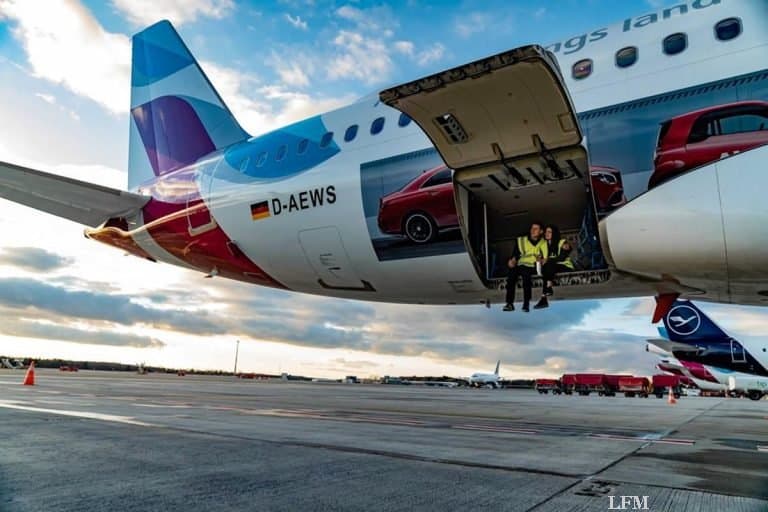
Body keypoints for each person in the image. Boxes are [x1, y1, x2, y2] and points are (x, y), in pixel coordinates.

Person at [504, 222, 547, 313]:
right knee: (511, 277)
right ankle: (509, 303)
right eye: (532, 228)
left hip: (531, 265)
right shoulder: (521, 240)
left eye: (536, 229)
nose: (533, 230)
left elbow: (545, 258)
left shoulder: (543, 242)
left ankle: (526, 303)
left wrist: (541, 260)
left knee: (526, 278)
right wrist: (512, 261)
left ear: (541, 231)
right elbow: (515, 253)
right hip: (519, 263)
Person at [533, 225, 574, 309]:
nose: (546, 233)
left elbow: (562, 257)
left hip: (564, 266)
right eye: (546, 232)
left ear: (554, 233)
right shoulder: (543, 245)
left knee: (549, 263)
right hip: (550, 270)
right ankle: (545, 294)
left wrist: (547, 260)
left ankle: (546, 294)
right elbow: (541, 259)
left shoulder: (563, 242)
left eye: (549, 232)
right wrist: (539, 261)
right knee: (546, 266)